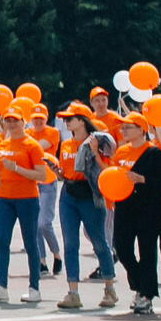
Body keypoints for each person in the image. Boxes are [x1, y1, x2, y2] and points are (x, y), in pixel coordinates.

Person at [111, 119, 161, 316]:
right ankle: (142, 285)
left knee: (147, 250)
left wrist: (142, 179)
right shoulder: (121, 152)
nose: (123, 131)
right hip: (124, 206)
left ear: (141, 130)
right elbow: (114, 176)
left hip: (148, 207)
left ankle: (146, 296)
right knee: (122, 249)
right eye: (122, 127)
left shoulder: (155, 153)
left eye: (127, 127)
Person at [55, 107, 119, 310]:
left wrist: (94, 153)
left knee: (99, 241)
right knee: (70, 244)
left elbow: (107, 171)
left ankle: (110, 288)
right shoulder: (65, 144)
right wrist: (57, 172)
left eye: (70, 119)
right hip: (69, 194)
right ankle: (73, 292)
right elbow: (66, 172)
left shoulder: (98, 142)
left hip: (90, 195)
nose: (66, 123)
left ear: (82, 121)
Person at [0, 106, 46, 304]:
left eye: (15, 120)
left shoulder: (32, 145)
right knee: (2, 241)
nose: (12, 124)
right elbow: (1, 176)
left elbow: (41, 174)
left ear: (23, 121)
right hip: (5, 198)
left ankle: (34, 287)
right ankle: (1, 286)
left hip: (27, 198)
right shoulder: (2, 145)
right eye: (8, 120)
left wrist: (18, 169)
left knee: (30, 241)